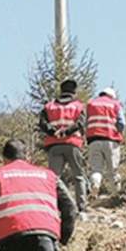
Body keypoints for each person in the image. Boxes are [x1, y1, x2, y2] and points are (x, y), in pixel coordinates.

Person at [38, 78, 88, 211]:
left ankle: (52, 205)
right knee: (78, 176)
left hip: (54, 144)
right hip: (72, 143)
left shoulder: (49, 106)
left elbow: (42, 123)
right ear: (74, 91)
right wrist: (66, 132)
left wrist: (53, 132)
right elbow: (80, 123)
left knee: (53, 178)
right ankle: (81, 205)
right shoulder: (78, 106)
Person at [85, 86, 126, 200]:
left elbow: (85, 121)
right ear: (112, 96)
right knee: (113, 171)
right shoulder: (115, 104)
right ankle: (116, 195)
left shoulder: (91, 104)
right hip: (111, 141)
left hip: (94, 140)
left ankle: (95, 186)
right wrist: (120, 134)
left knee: (96, 169)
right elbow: (122, 123)